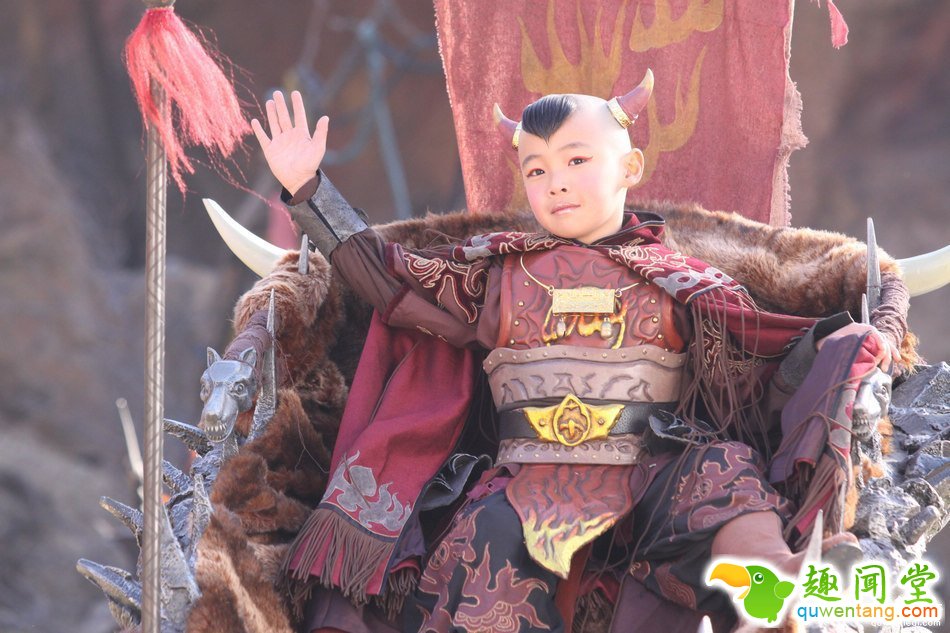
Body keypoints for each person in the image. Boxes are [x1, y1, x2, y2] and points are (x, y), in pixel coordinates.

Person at [250, 76, 905, 633]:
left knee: (722, 473)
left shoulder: (682, 279)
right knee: (485, 551)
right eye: (537, 170)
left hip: (652, 463)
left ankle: (785, 589)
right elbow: (390, 278)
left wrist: (853, 340)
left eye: (576, 160)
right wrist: (310, 191)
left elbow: (765, 351)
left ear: (630, 168)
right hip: (525, 479)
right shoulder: (493, 275)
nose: (555, 183)